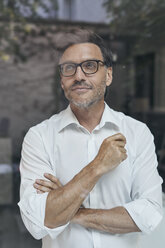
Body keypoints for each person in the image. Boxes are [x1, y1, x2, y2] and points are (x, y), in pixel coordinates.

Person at [18, 28, 163, 248]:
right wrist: (97, 166)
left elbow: (149, 214)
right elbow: (37, 222)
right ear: (62, 81)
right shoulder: (39, 137)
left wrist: (70, 210)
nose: (78, 76)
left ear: (109, 75)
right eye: (69, 68)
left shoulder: (137, 133)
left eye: (90, 66)